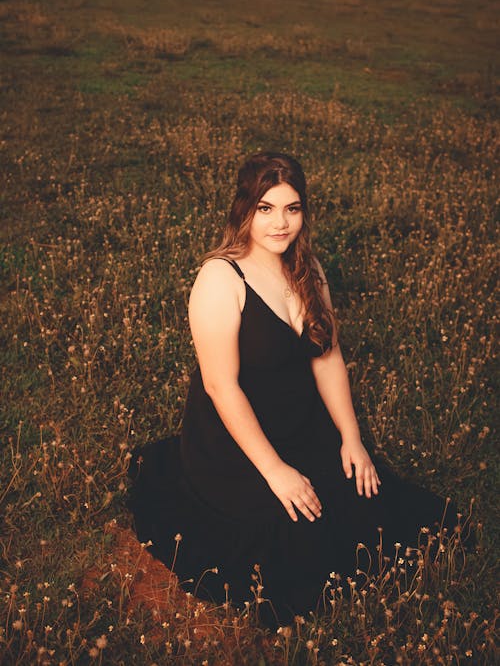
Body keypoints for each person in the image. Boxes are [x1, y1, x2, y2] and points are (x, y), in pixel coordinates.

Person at [128, 152, 462, 625]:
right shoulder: (221, 278)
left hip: (299, 422)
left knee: (367, 505)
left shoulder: (309, 269)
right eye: (266, 208)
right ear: (243, 209)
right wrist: (275, 471)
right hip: (232, 441)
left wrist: (351, 437)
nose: (280, 223)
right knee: (292, 540)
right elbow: (221, 387)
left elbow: (327, 357)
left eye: (292, 208)